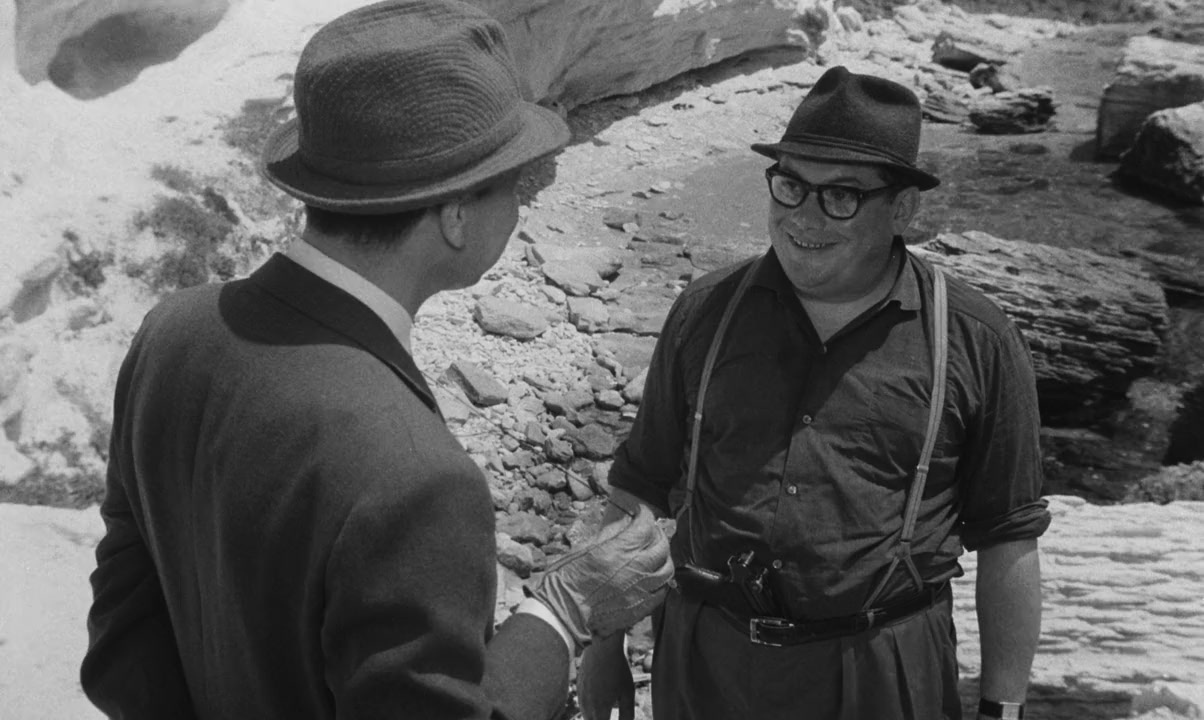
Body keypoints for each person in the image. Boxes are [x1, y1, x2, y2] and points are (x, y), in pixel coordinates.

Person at [79, 2, 672, 719]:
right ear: (455, 215)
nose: (522, 203)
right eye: (514, 180)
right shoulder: (417, 476)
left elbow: (123, 638)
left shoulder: (171, 332)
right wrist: (563, 609)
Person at [578, 66, 1051, 720]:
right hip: (706, 665)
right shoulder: (704, 312)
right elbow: (639, 489)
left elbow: (1009, 540)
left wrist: (1003, 710)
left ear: (902, 209)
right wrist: (602, 646)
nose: (805, 216)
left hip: (882, 673)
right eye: (792, 185)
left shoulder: (977, 339)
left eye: (841, 196)